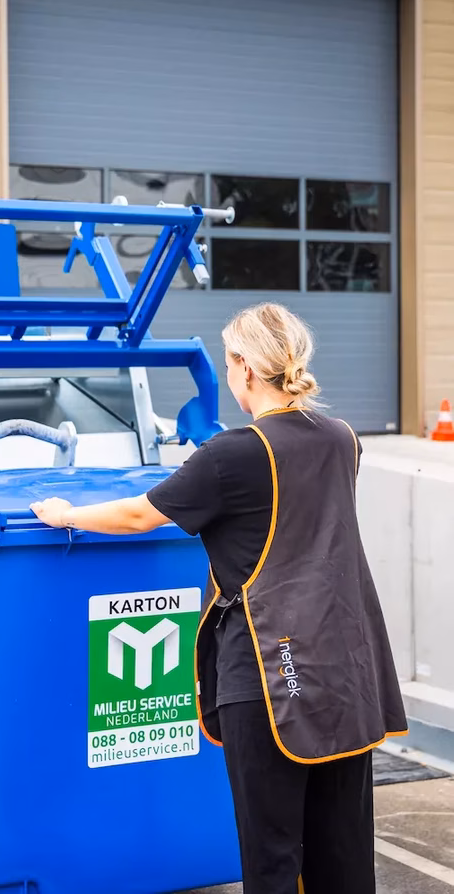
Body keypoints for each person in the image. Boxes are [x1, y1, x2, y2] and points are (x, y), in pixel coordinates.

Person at [30, 302, 407, 894]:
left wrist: (65, 513)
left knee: (272, 854)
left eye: (229, 361)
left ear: (245, 368)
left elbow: (139, 515)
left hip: (268, 674)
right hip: (344, 672)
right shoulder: (342, 439)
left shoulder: (233, 454)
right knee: (343, 851)